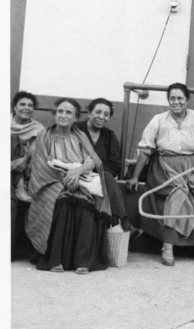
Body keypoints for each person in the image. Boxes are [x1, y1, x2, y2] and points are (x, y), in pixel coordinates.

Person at [125, 83, 194, 266]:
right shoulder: (158, 119)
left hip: (192, 165)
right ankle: (168, 245)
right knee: (178, 193)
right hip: (164, 166)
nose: (176, 102)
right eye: (172, 98)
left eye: (180, 98)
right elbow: (146, 149)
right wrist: (134, 176)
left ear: (187, 100)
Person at [26, 98, 111, 274]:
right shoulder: (44, 136)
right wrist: (64, 181)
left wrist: (77, 172)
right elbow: (41, 166)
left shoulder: (80, 136)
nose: (63, 115)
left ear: (75, 118)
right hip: (50, 184)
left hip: (78, 182)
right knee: (62, 203)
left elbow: (93, 161)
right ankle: (55, 260)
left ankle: (83, 261)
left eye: (68, 113)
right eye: (60, 111)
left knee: (85, 205)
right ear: (55, 114)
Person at [75, 98, 136, 234]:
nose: (102, 117)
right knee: (107, 178)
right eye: (98, 112)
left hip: (100, 176)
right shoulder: (77, 129)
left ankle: (117, 226)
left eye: (106, 114)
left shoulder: (109, 136)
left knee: (106, 177)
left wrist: (97, 173)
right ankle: (123, 222)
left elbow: (115, 163)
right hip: (77, 173)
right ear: (89, 113)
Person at [11, 91, 45, 259]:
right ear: (14, 107)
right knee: (12, 141)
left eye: (30, 105)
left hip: (27, 172)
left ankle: (18, 186)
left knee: (35, 144)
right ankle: (18, 186)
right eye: (22, 104)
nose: (26, 108)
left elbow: (39, 154)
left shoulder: (37, 129)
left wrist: (24, 159)